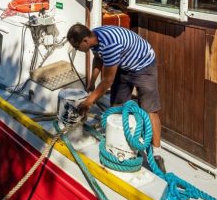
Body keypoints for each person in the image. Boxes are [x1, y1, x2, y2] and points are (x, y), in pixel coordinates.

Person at [67, 23, 165, 172]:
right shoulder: (95, 39)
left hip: (143, 66)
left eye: (76, 46)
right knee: (116, 108)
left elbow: (107, 81)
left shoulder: (111, 45)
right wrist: (92, 82)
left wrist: (89, 101)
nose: (76, 50)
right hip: (124, 66)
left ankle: (157, 154)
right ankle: (118, 143)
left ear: (86, 40)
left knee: (150, 110)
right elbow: (98, 59)